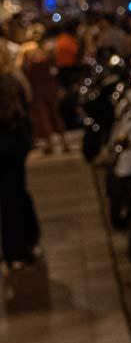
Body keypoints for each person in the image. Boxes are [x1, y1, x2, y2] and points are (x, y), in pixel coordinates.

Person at [0, 48, 40, 270]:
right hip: (15, 144)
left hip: (7, 145)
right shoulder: (16, 79)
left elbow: (10, 113)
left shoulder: (7, 83)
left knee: (10, 199)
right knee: (16, 193)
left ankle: (15, 250)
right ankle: (27, 240)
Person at [19, 26, 67, 154]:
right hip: (48, 86)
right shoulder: (49, 49)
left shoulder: (27, 50)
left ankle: (52, 144)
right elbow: (54, 67)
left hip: (38, 87)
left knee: (44, 116)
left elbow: (22, 68)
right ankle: (62, 143)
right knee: (54, 114)